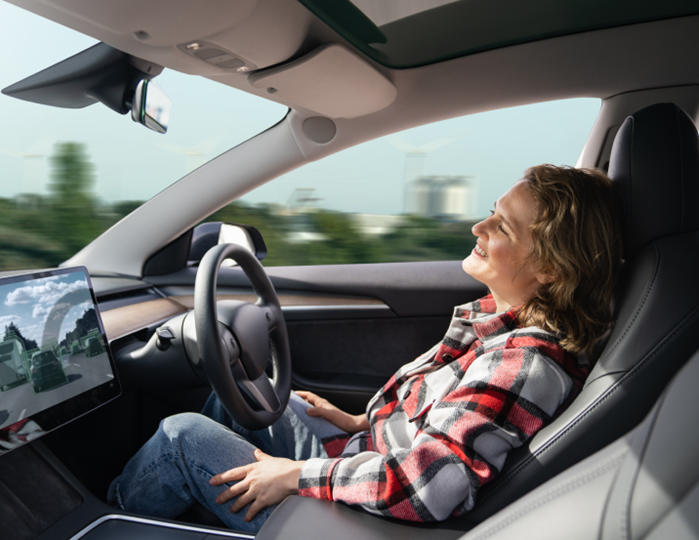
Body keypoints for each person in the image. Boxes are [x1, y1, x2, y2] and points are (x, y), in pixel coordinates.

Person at [107, 164, 622, 532]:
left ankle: (109, 518)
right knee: (240, 395)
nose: (478, 227)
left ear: (552, 268)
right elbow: (437, 428)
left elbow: (429, 488)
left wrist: (293, 475)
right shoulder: (500, 326)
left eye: (502, 226)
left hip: (369, 515)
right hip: (367, 457)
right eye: (491, 212)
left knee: (182, 438)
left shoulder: (521, 364)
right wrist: (358, 422)